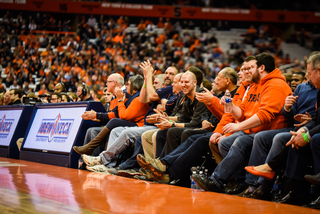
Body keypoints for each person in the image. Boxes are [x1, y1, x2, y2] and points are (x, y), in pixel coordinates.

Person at [81, 62, 179, 172]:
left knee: (116, 126)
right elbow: (141, 101)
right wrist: (146, 78)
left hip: (151, 125)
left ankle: (101, 159)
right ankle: (108, 165)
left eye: (171, 74)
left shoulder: (168, 92)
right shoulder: (155, 93)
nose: (126, 86)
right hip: (147, 124)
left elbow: (124, 115)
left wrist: (120, 100)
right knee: (114, 129)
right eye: (166, 73)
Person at [73, 75, 150, 156]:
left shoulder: (126, 95)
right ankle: (87, 157)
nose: (106, 84)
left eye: (108, 82)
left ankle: (97, 156)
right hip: (124, 122)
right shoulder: (117, 97)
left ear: (114, 83)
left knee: (101, 128)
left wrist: (97, 115)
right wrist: (97, 117)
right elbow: (114, 114)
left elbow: (120, 115)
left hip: (136, 124)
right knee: (91, 130)